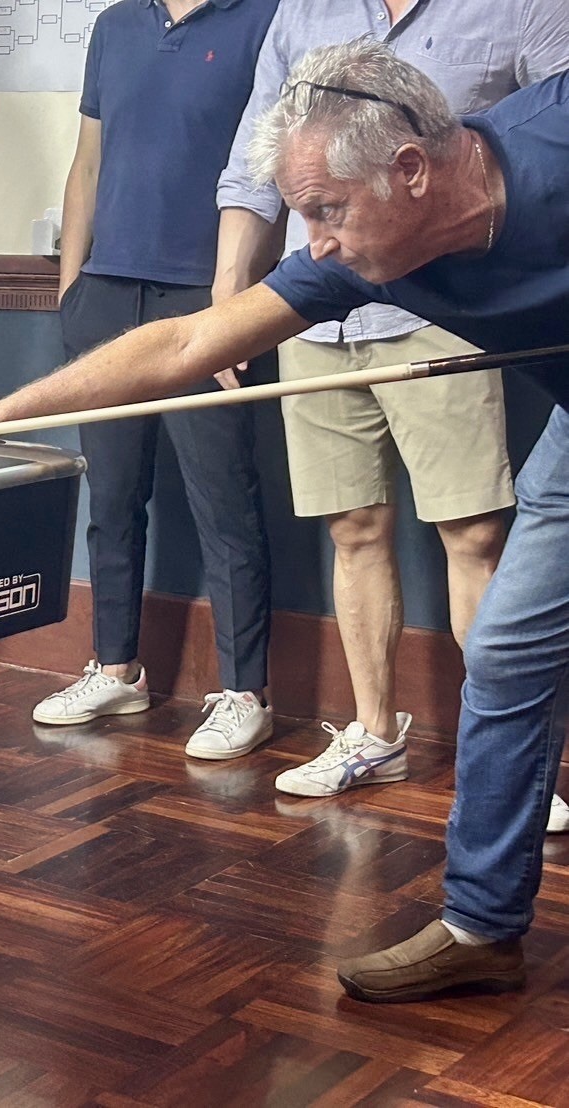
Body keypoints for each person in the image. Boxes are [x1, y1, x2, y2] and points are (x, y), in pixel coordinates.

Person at [0, 41, 569, 1002]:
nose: (317, 243)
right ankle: (481, 928)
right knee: (506, 653)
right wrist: (2, 414)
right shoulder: (361, 256)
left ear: (412, 169)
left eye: (326, 211)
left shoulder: (556, 138)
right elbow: (185, 341)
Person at [214, 0, 569, 821]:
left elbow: (546, 130)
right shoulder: (302, 11)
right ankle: (374, 735)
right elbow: (251, 165)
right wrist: (233, 294)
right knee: (352, 528)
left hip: (440, 310)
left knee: (471, 534)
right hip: (320, 312)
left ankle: (513, 768)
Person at [30, 0, 279, 763]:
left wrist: (242, 302)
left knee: (223, 502)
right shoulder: (114, 26)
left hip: (206, 301)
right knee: (110, 498)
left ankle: (244, 693)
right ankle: (116, 670)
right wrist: (73, 288)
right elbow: (87, 164)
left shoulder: (266, 19)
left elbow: (276, 166)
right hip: (107, 295)